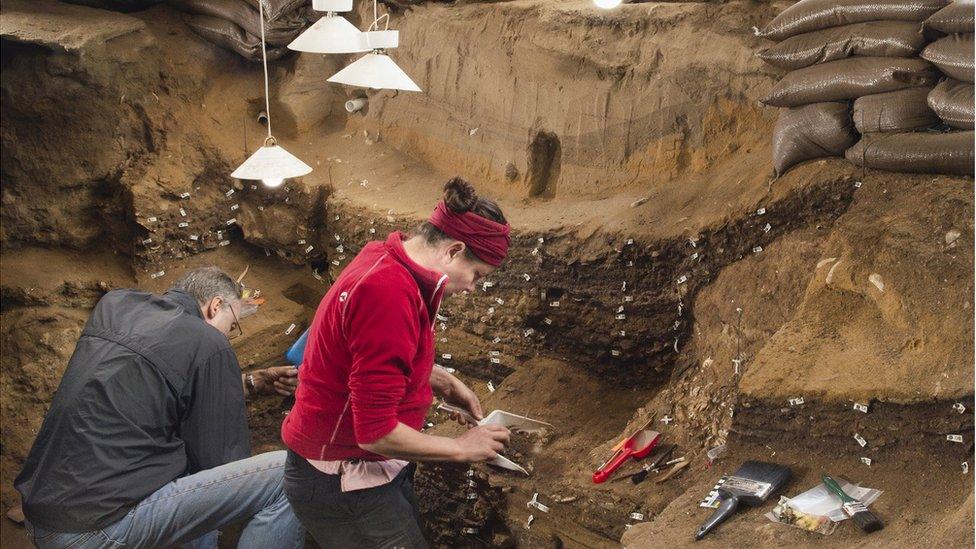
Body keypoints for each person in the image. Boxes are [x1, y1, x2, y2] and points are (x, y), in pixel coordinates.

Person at [281, 177, 512, 548]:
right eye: (477, 276)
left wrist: (441, 381)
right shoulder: (388, 293)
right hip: (344, 484)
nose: (472, 288)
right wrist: (460, 447)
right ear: (454, 251)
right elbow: (375, 433)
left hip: (357, 474)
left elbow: (362, 358)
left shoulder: (387, 257)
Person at [14, 266, 304, 549]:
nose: (227, 336)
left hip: (43, 515)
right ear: (216, 306)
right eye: (232, 326)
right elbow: (222, 464)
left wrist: (251, 383)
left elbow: (160, 390)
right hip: (93, 531)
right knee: (287, 475)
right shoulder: (209, 341)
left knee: (179, 455)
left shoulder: (116, 306)